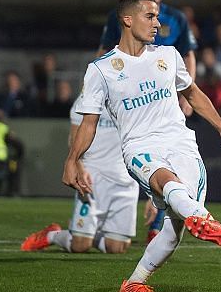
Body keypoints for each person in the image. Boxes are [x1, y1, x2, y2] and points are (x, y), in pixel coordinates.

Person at [62, 0, 221, 292]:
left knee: (173, 230)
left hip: (181, 143)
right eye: (150, 16)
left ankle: (133, 284)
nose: (157, 23)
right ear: (127, 20)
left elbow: (194, 94)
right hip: (139, 147)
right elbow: (88, 122)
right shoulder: (101, 69)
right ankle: (201, 216)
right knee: (168, 183)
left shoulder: (169, 56)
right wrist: (72, 159)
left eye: (157, 16)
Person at [97, 0, 198, 243]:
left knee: (171, 159)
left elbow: (187, 56)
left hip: (164, 101)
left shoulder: (176, 18)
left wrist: (186, 94)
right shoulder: (118, 16)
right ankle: (115, 215)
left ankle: (158, 221)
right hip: (133, 100)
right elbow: (105, 51)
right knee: (134, 158)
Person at [21, 97, 142, 254]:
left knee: (117, 247)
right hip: (93, 177)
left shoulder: (133, 96)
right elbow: (73, 139)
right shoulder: (87, 99)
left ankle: (89, 232)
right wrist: (79, 166)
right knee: (80, 245)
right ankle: (52, 235)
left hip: (125, 179)